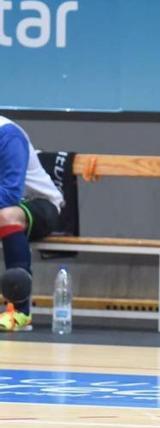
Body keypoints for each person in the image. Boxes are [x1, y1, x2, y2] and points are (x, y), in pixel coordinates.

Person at [0, 116, 64, 331]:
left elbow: (10, 193)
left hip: (40, 205)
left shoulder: (8, 135)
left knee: (7, 215)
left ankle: (20, 312)